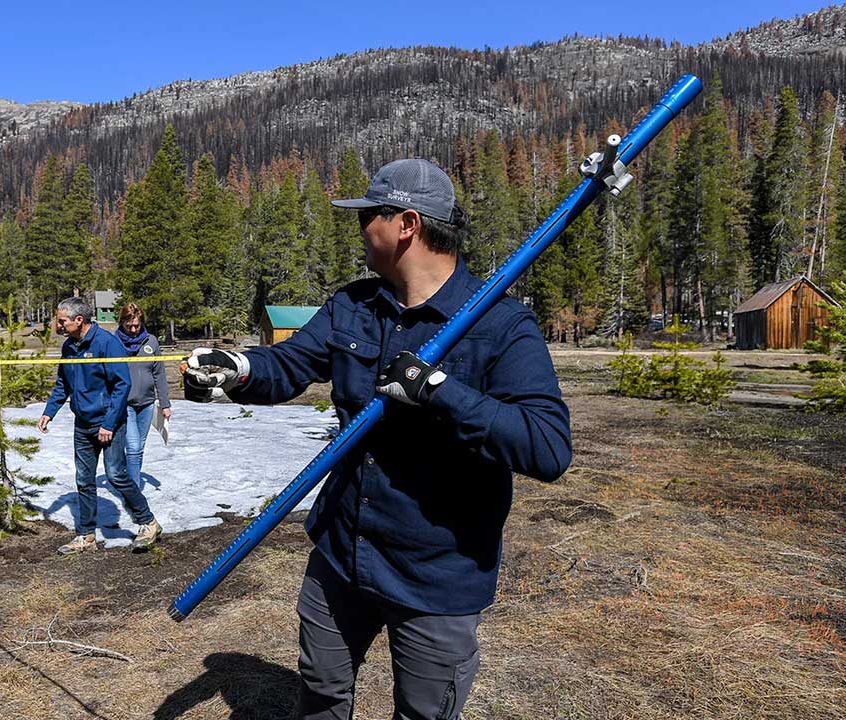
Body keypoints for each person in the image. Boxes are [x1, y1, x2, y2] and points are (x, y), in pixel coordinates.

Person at [183, 158, 572, 719]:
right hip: (344, 553)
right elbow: (290, 363)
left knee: (422, 713)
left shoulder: (499, 324)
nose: (360, 227)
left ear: (406, 224)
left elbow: (547, 446)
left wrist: (440, 392)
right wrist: (237, 368)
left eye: (368, 215)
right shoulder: (354, 306)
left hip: (436, 571)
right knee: (319, 688)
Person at [38, 297, 163, 555]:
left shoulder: (107, 343)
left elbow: (121, 386)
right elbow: (63, 383)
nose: (58, 325)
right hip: (82, 424)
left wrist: (108, 423)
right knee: (84, 479)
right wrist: (49, 412)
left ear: (79, 320)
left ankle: (148, 522)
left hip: (109, 423)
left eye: (62, 321)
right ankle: (86, 536)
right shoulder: (70, 347)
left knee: (116, 474)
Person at [114, 303, 172, 487]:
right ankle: (135, 493)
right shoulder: (113, 342)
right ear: (122, 322)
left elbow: (159, 374)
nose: (132, 329)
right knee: (133, 447)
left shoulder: (151, 342)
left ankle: (131, 482)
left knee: (139, 447)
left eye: (136, 325)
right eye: (129, 325)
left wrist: (165, 403)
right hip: (125, 404)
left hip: (147, 403)